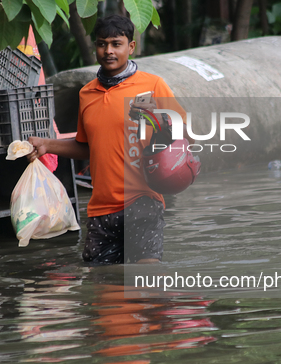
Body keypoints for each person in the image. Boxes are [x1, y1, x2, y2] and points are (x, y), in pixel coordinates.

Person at [27, 15, 186, 265]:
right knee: (104, 289)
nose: (108, 50)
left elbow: (182, 134)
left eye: (116, 43)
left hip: (142, 202)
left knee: (147, 279)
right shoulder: (86, 93)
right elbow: (88, 147)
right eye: (102, 44)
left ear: (130, 47)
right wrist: (46, 145)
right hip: (101, 210)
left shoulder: (153, 86)